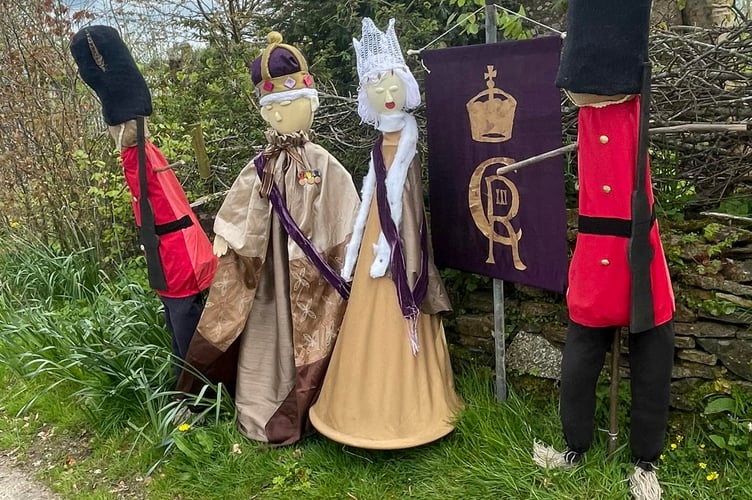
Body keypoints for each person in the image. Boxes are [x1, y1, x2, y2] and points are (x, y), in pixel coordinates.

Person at [176, 32, 360, 446]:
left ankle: (317, 404)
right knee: (265, 327)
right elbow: (243, 205)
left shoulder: (321, 163)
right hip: (270, 265)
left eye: (292, 105)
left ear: (309, 104)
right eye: (274, 109)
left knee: (314, 325)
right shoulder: (263, 165)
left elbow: (343, 203)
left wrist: (349, 244)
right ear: (265, 112)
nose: (283, 116)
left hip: (310, 267)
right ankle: (260, 402)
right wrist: (226, 234)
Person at [532, 3, 675, 499]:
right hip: (595, 250)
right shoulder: (585, 121)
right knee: (579, 360)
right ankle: (574, 448)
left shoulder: (637, 109)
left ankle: (645, 463)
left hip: (639, 247)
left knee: (653, 362)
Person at [308, 18, 462, 450]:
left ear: (406, 87)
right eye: (378, 89)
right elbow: (377, 191)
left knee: (397, 306)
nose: (388, 95)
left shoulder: (408, 139)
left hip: (398, 239)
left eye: (393, 86)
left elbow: (408, 203)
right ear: (368, 96)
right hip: (377, 228)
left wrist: (395, 249)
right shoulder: (380, 142)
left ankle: (410, 407)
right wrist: (363, 246)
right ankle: (358, 405)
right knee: (367, 313)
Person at [69, 26, 217, 374]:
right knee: (181, 323)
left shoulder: (144, 153)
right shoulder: (138, 156)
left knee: (184, 322)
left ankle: (195, 390)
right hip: (170, 255)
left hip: (177, 254)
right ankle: (193, 389)